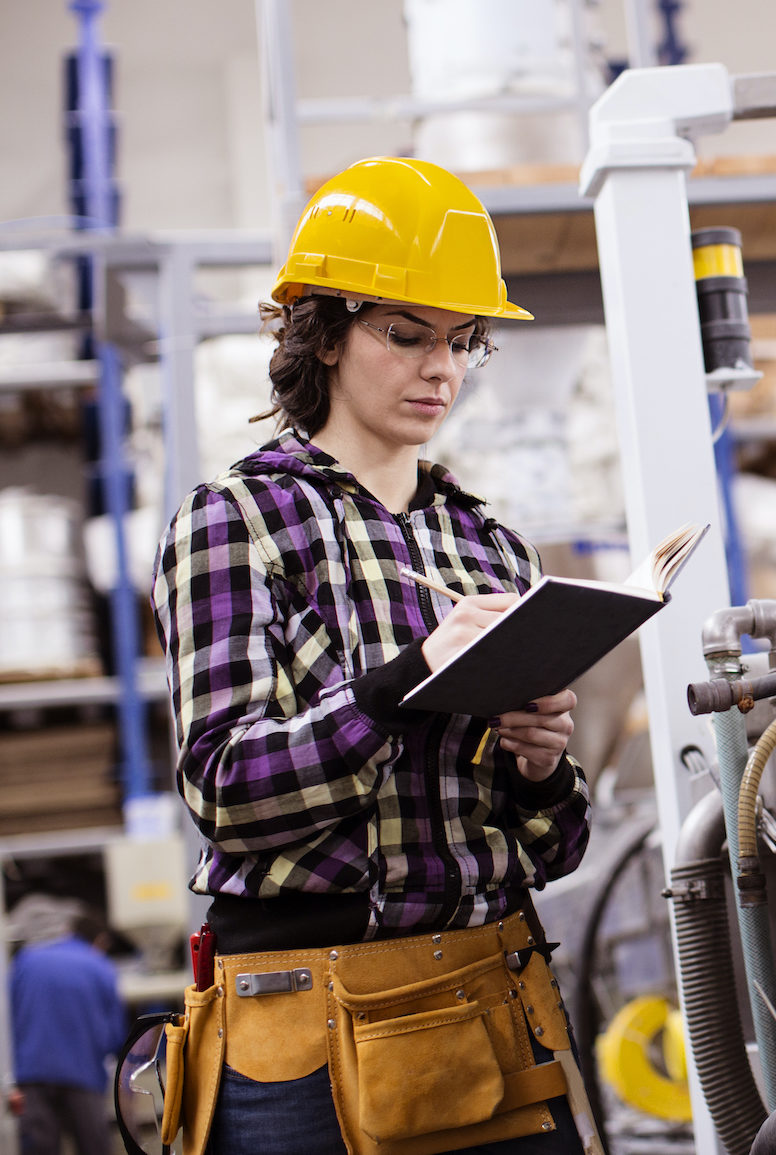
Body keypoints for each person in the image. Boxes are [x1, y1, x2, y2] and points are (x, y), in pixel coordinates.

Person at [149, 157, 596, 1155]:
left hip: (495, 996)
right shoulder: (236, 524)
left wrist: (539, 767)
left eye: (462, 342)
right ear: (324, 332)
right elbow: (226, 789)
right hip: (301, 1030)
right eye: (407, 335)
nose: (441, 369)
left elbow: (557, 850)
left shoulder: (492, 548)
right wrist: (404, 686)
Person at [10, 910, 125, 1155]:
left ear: (68, 932)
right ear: (101, 940)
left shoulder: (27, 960)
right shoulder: (100, 966)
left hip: (32, 1076)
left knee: (37, 1150)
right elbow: (115, 1034)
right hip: (83, 1077)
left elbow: (10, 1017)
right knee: (93, 1147)